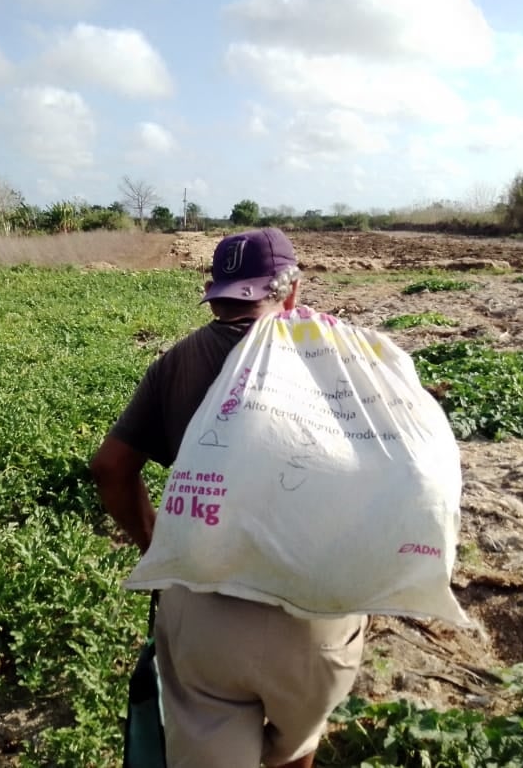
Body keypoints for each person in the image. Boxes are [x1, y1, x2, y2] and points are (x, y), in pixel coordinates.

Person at [90, 227, 366, 768]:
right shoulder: (344, 359)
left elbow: (110, 468)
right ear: (291, 291)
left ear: (217, 293)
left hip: (205, 607)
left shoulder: (178, 361)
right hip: (315, 612)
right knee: (295, 753)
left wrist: (156, 548)